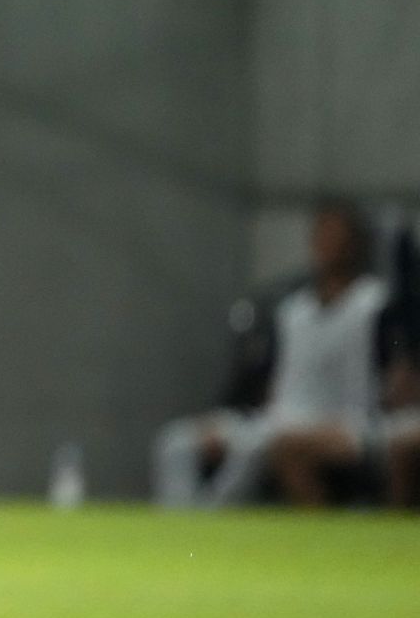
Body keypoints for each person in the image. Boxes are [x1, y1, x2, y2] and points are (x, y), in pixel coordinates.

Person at [152, 202, 387, 509]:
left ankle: (210, 519)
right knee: (175, 442)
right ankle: (177, 521)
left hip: (344, 421)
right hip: (280, 417)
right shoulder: (293, 309)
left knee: (254, 448)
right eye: (323, 235)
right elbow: (269, 377)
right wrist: (230, 416)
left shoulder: (374, 303)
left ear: (355, 244)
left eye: (338, 236)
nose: (329, 245)